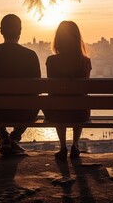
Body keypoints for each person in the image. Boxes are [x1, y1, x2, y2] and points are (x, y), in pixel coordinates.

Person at [0, 14, 41, 155]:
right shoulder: (30, 56)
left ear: (1, 31)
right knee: (35, 102)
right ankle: (14, 138)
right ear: (20, 31)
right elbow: (37, 89)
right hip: (24, 113)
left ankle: (3, 136)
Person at [44, 21, 92, 160]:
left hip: (56, 113)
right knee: (79, 101)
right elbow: (84, 91)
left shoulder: (51, 61)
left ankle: (63, 146)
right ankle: (75, 144)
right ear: (78, 39)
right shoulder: (85, 61)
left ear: (58, 40)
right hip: (80, 114)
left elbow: (52, 90)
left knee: (58, 102)